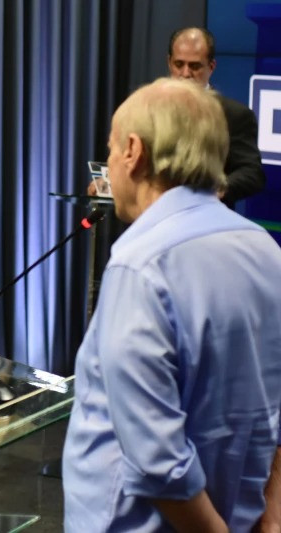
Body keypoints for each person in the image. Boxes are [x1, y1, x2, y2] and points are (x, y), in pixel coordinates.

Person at [63, 78, 281, 531]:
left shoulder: (140, 267)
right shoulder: (266, 252)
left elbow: (158, 464)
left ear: (133, 152)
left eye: (110, 149)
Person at [87, 27, 265, 207]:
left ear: (211, 67)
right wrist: (109, 184)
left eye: (195, 66)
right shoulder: (149, 108)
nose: (186, 73)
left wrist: (211, 192)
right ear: (169, 63)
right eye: (179, 64)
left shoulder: (233, 114)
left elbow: (252, 173)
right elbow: (134, 157)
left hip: (206, 222)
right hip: (152, 219)